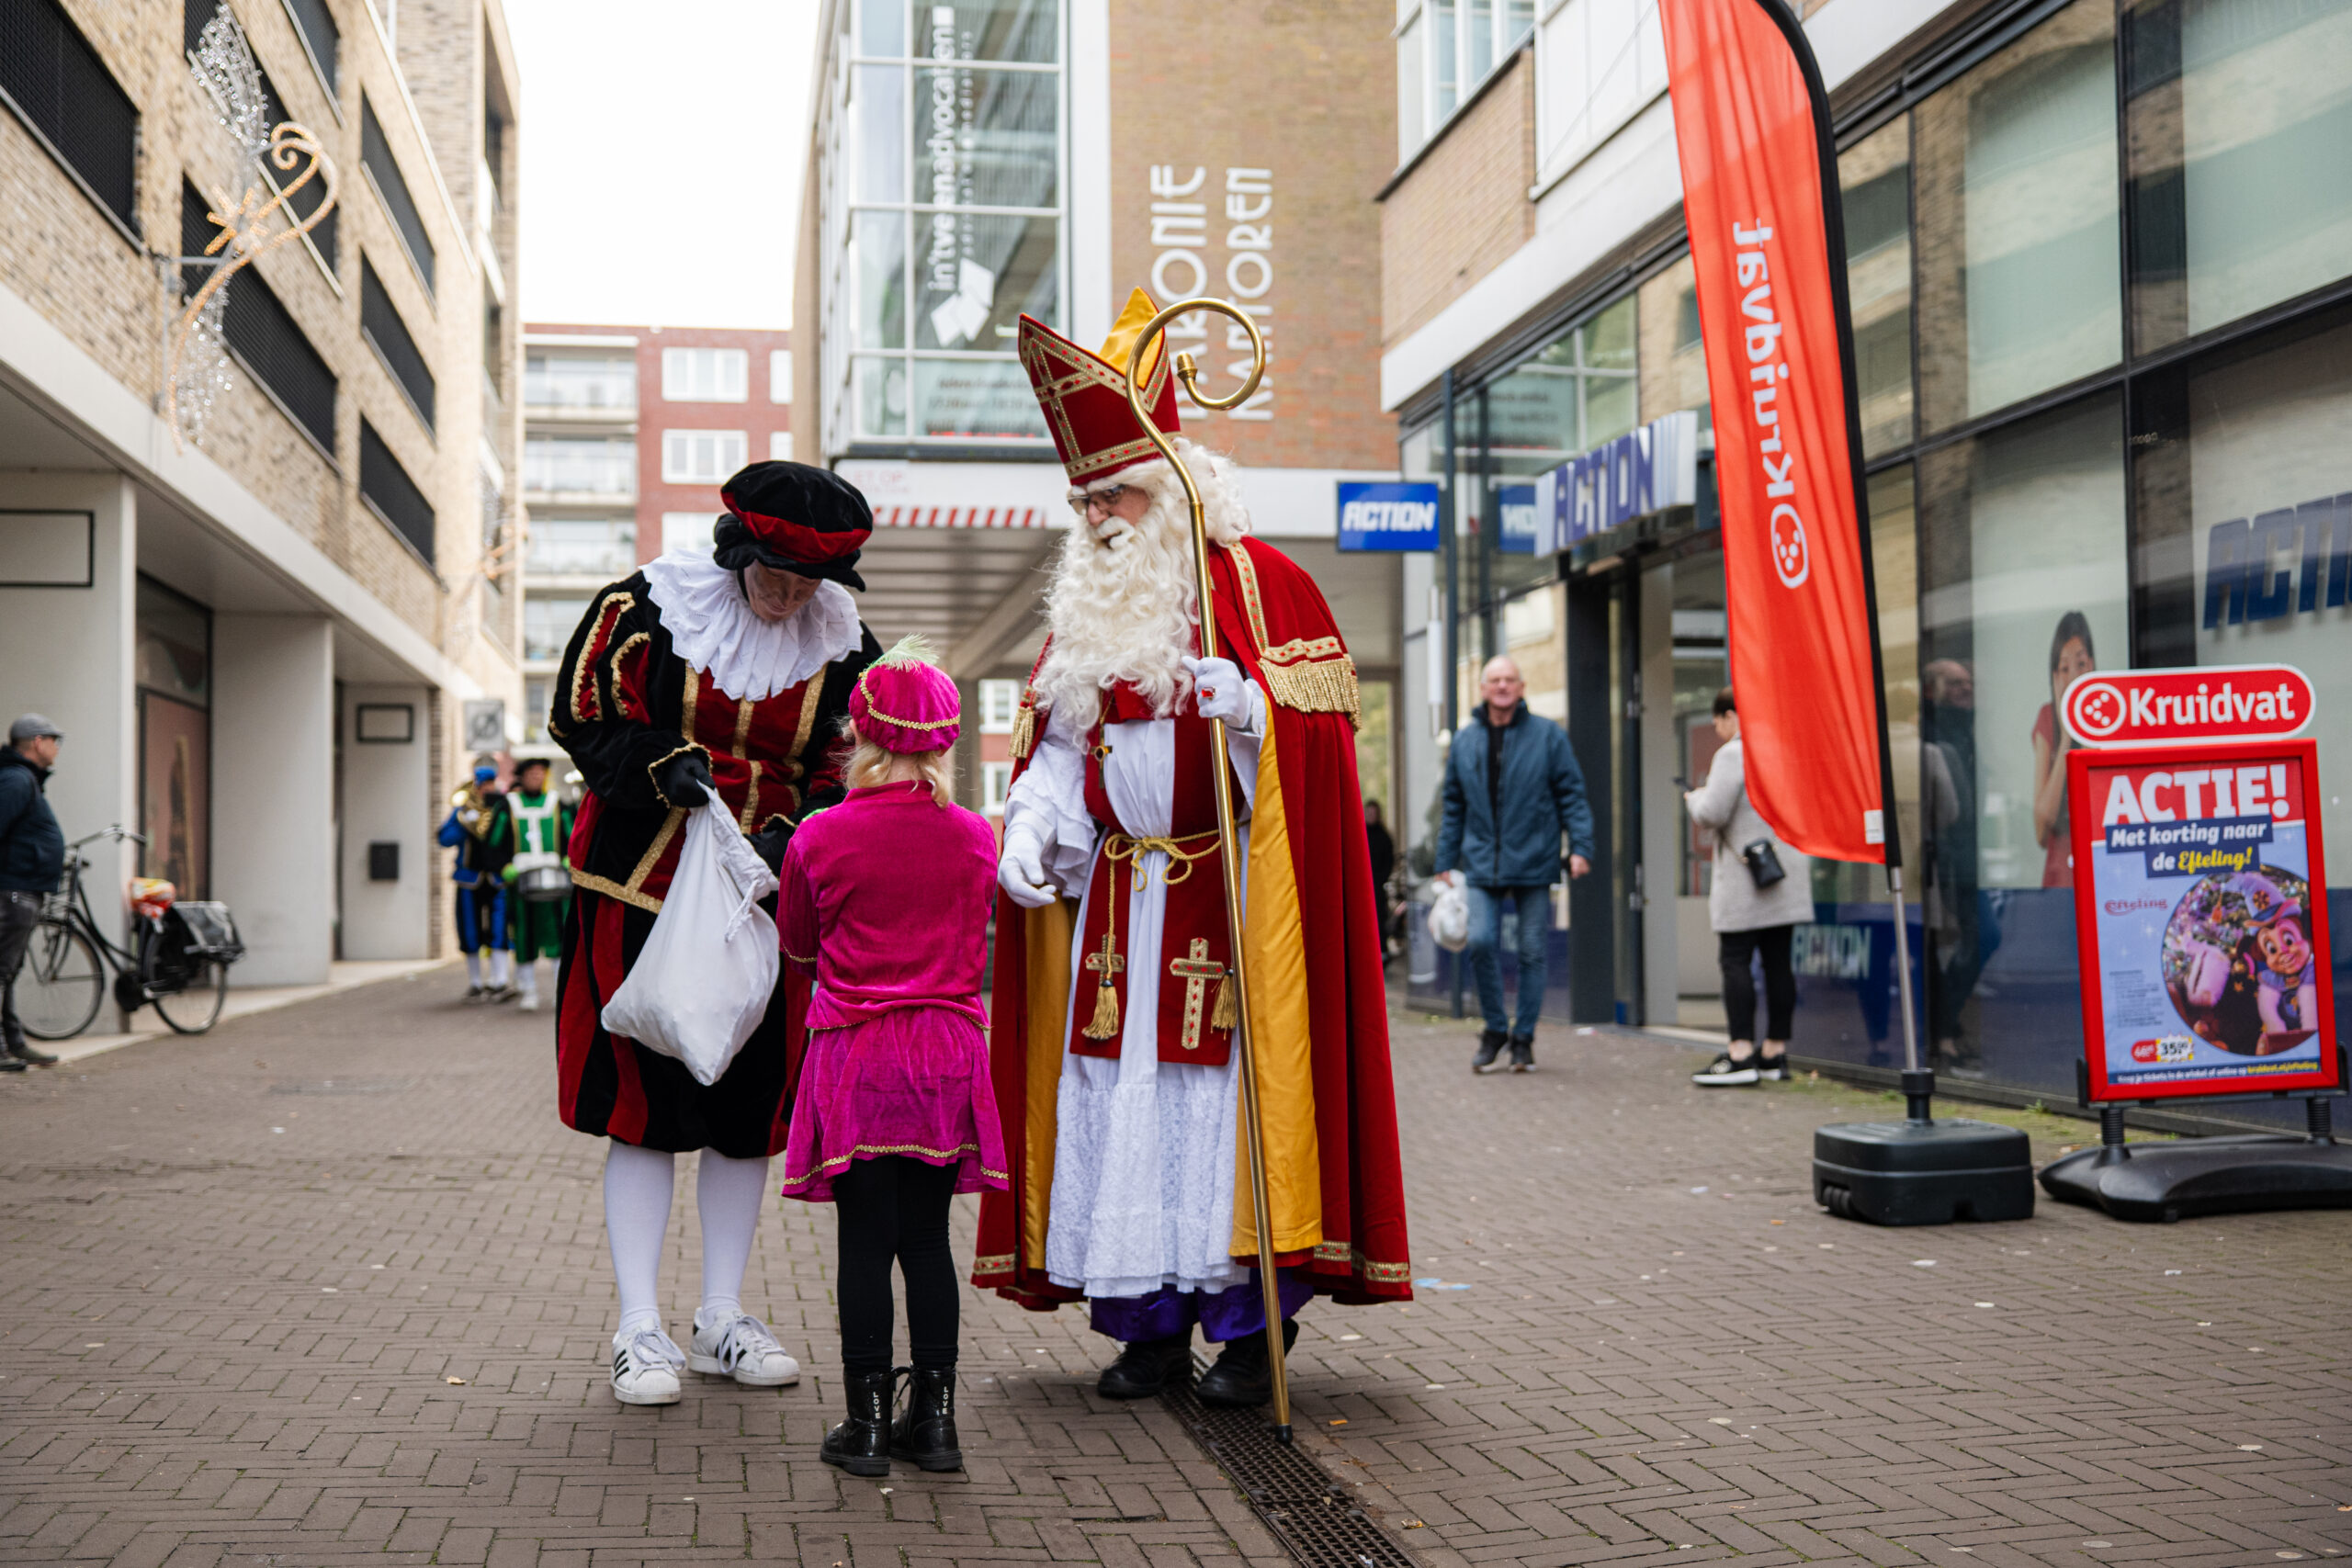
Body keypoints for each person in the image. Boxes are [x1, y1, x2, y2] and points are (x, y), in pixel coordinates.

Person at [979, 289, 1413, 1408]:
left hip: (1230, 902)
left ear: (1171, 484)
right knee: (1117, 1105)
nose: (1098, 518)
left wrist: (1254, 714)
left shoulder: (1265, 591)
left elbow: (1321, 761)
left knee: (1221, 1113)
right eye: (1083, 502)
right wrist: (1030, 827)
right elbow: (1059, 753)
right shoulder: (1086, 617)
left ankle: (1244, 1330)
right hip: (1120, 905)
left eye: (1113, 493)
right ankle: (1146, 1330)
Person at [549, 459, 881, 1407]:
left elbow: (855, 757)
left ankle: (721, 1316)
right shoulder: (642, 609)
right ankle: (638, 1326)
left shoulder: (846, 646)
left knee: (745, 1118)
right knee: (644, 1112)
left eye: (806, 583)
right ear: (736, 555)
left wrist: (802, 826)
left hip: (764, 901)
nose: (787, 599)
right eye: (773, 576)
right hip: (639, 892)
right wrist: (668, 765)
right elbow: (582, 714)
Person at [777, 636, 1006, 1477]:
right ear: (943, 740)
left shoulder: (821, 835)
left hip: (860, 1052)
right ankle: (936, 1425)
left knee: (865, 1242)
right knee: (927, 1242)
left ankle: (867, 1423)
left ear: (860, 734)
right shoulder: (977, 836)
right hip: (946, 1050)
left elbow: (797, 946)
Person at [1432, 656, 1595, 1073]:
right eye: (1495, 680)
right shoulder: (1466, 741)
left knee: (1532, 952)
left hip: (1535, 858)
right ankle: (1494, 1029)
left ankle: (1523, 1038)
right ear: (1484, 689)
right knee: (1482, 942)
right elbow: (1453, 806)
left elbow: (1572, 794)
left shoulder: (1548, 737)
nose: (1503, 686)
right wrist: (1445, 859)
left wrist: (1581, 847)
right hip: (1482, 860)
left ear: (1522, 688)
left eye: (1510, 680)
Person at [1685, 689, 1813, 1086]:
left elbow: (1712, 813)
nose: (1719, 730)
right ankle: (1774, 1052)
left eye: (1719, 721)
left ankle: (1740, 1053)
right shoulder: (1788, 751)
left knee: (1735, 961)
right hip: (1787, 874)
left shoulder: (1733, 754)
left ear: (1728, 716)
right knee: (1778, 964)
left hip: (1746, 880)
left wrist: (1694, 798)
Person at [0, 715, 66, 1071]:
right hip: (13, 888)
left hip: (23, 888)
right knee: (1, 968)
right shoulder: (16, 780)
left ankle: (14, 1042)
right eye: (55, 740)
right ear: (38, 742)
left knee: (7, 970)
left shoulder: (24, 780)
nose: (58, 748)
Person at [437, 761, 516, 1001]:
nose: (487, 789)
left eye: (491, 784)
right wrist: (465, 824)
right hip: (469, 879)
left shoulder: (503, 808)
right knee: (469, 930)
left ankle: (499, 981)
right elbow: (444, 838)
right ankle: (475, 983)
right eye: (483, 785)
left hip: (497, 879)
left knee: (499, 929)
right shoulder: (462, 811)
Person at [500, 756, 573, 1013]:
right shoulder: (508, 805)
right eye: (532, 773)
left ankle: (558, 991)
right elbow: (495, 841)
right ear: (522, 776)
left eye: (541, 773)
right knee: (524, 935)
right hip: (522, 881)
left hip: (554, 879)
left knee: (559, 935)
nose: (537, 777)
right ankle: (528, 990)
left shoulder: (557, 804)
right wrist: (502, 866)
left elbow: (571, 834)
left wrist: (568, 857)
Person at [2030, 612, 2096, 889]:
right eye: (2064, 668)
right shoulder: (2047, 717)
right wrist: (2068, 733)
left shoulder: (2109, 715)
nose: (2073, 677)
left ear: (2093, 665)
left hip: (2100, 867)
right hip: (2061, 878)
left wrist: (2088, 725)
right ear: (2054, 675)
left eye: (2081, 664)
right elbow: (2042, 831)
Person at [1363, 801, 1397, 962]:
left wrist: (1380, 878)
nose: (1371, 816)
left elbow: (1389, 861)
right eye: (1368, 813)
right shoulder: (1359, 835)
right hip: (1361, 887)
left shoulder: (1384, 837)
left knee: (1378, 917)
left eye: (1373, 813)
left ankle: (1381, 951)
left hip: (1377, 885)